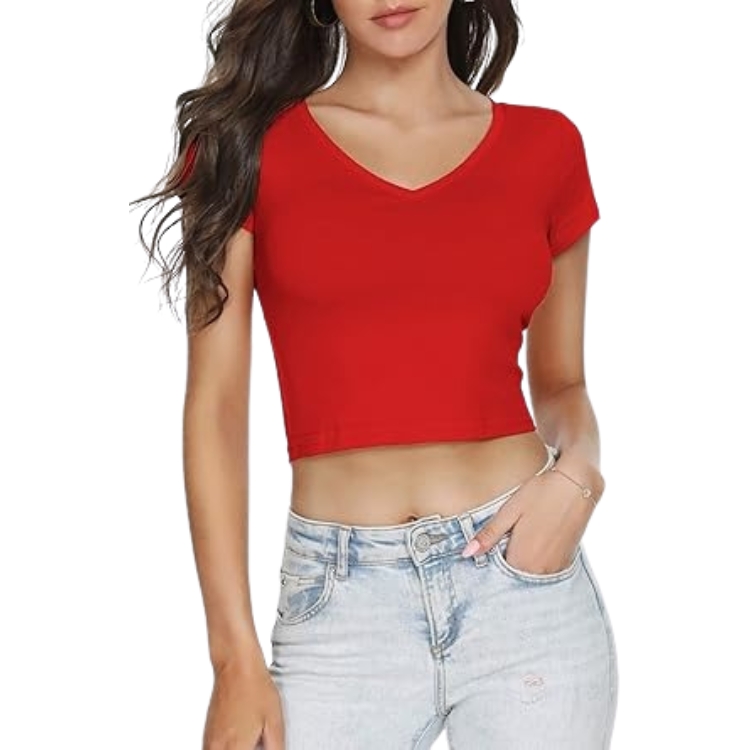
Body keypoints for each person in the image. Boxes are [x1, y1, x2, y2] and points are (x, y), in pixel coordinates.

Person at [131, 0, 618, 747]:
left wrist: (578, 474)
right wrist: (233, 659)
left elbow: (561, 385)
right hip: (338, 612)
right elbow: (216, 408)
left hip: (525, 589)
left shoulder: (547, 147)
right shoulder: (244, 148)